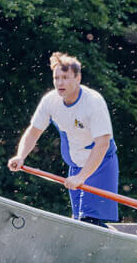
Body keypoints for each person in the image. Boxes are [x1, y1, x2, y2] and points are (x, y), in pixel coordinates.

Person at [7, 52, 118, 225]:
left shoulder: (94, 102)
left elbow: (102, 144)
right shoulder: (50, 101)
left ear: (78, 78)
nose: (60, 83)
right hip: (75, 165)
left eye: (65, 77)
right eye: (56, 78)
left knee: (89, 220)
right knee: (78, 221)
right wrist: (20, 156)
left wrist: (82, 177)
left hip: (101, 164)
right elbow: (34, 131)